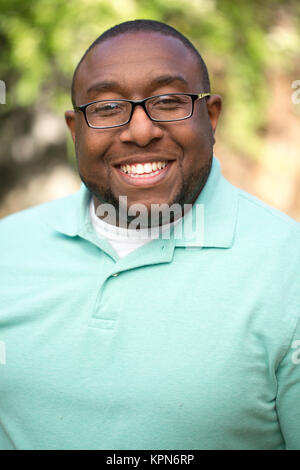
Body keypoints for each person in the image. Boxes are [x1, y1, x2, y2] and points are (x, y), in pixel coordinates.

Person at [0, 19, 300, 451]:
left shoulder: (288, 266)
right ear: (75, 131)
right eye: (106, 108)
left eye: (168, 101)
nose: (141, 131)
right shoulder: (9, 249)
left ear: (211, 116)